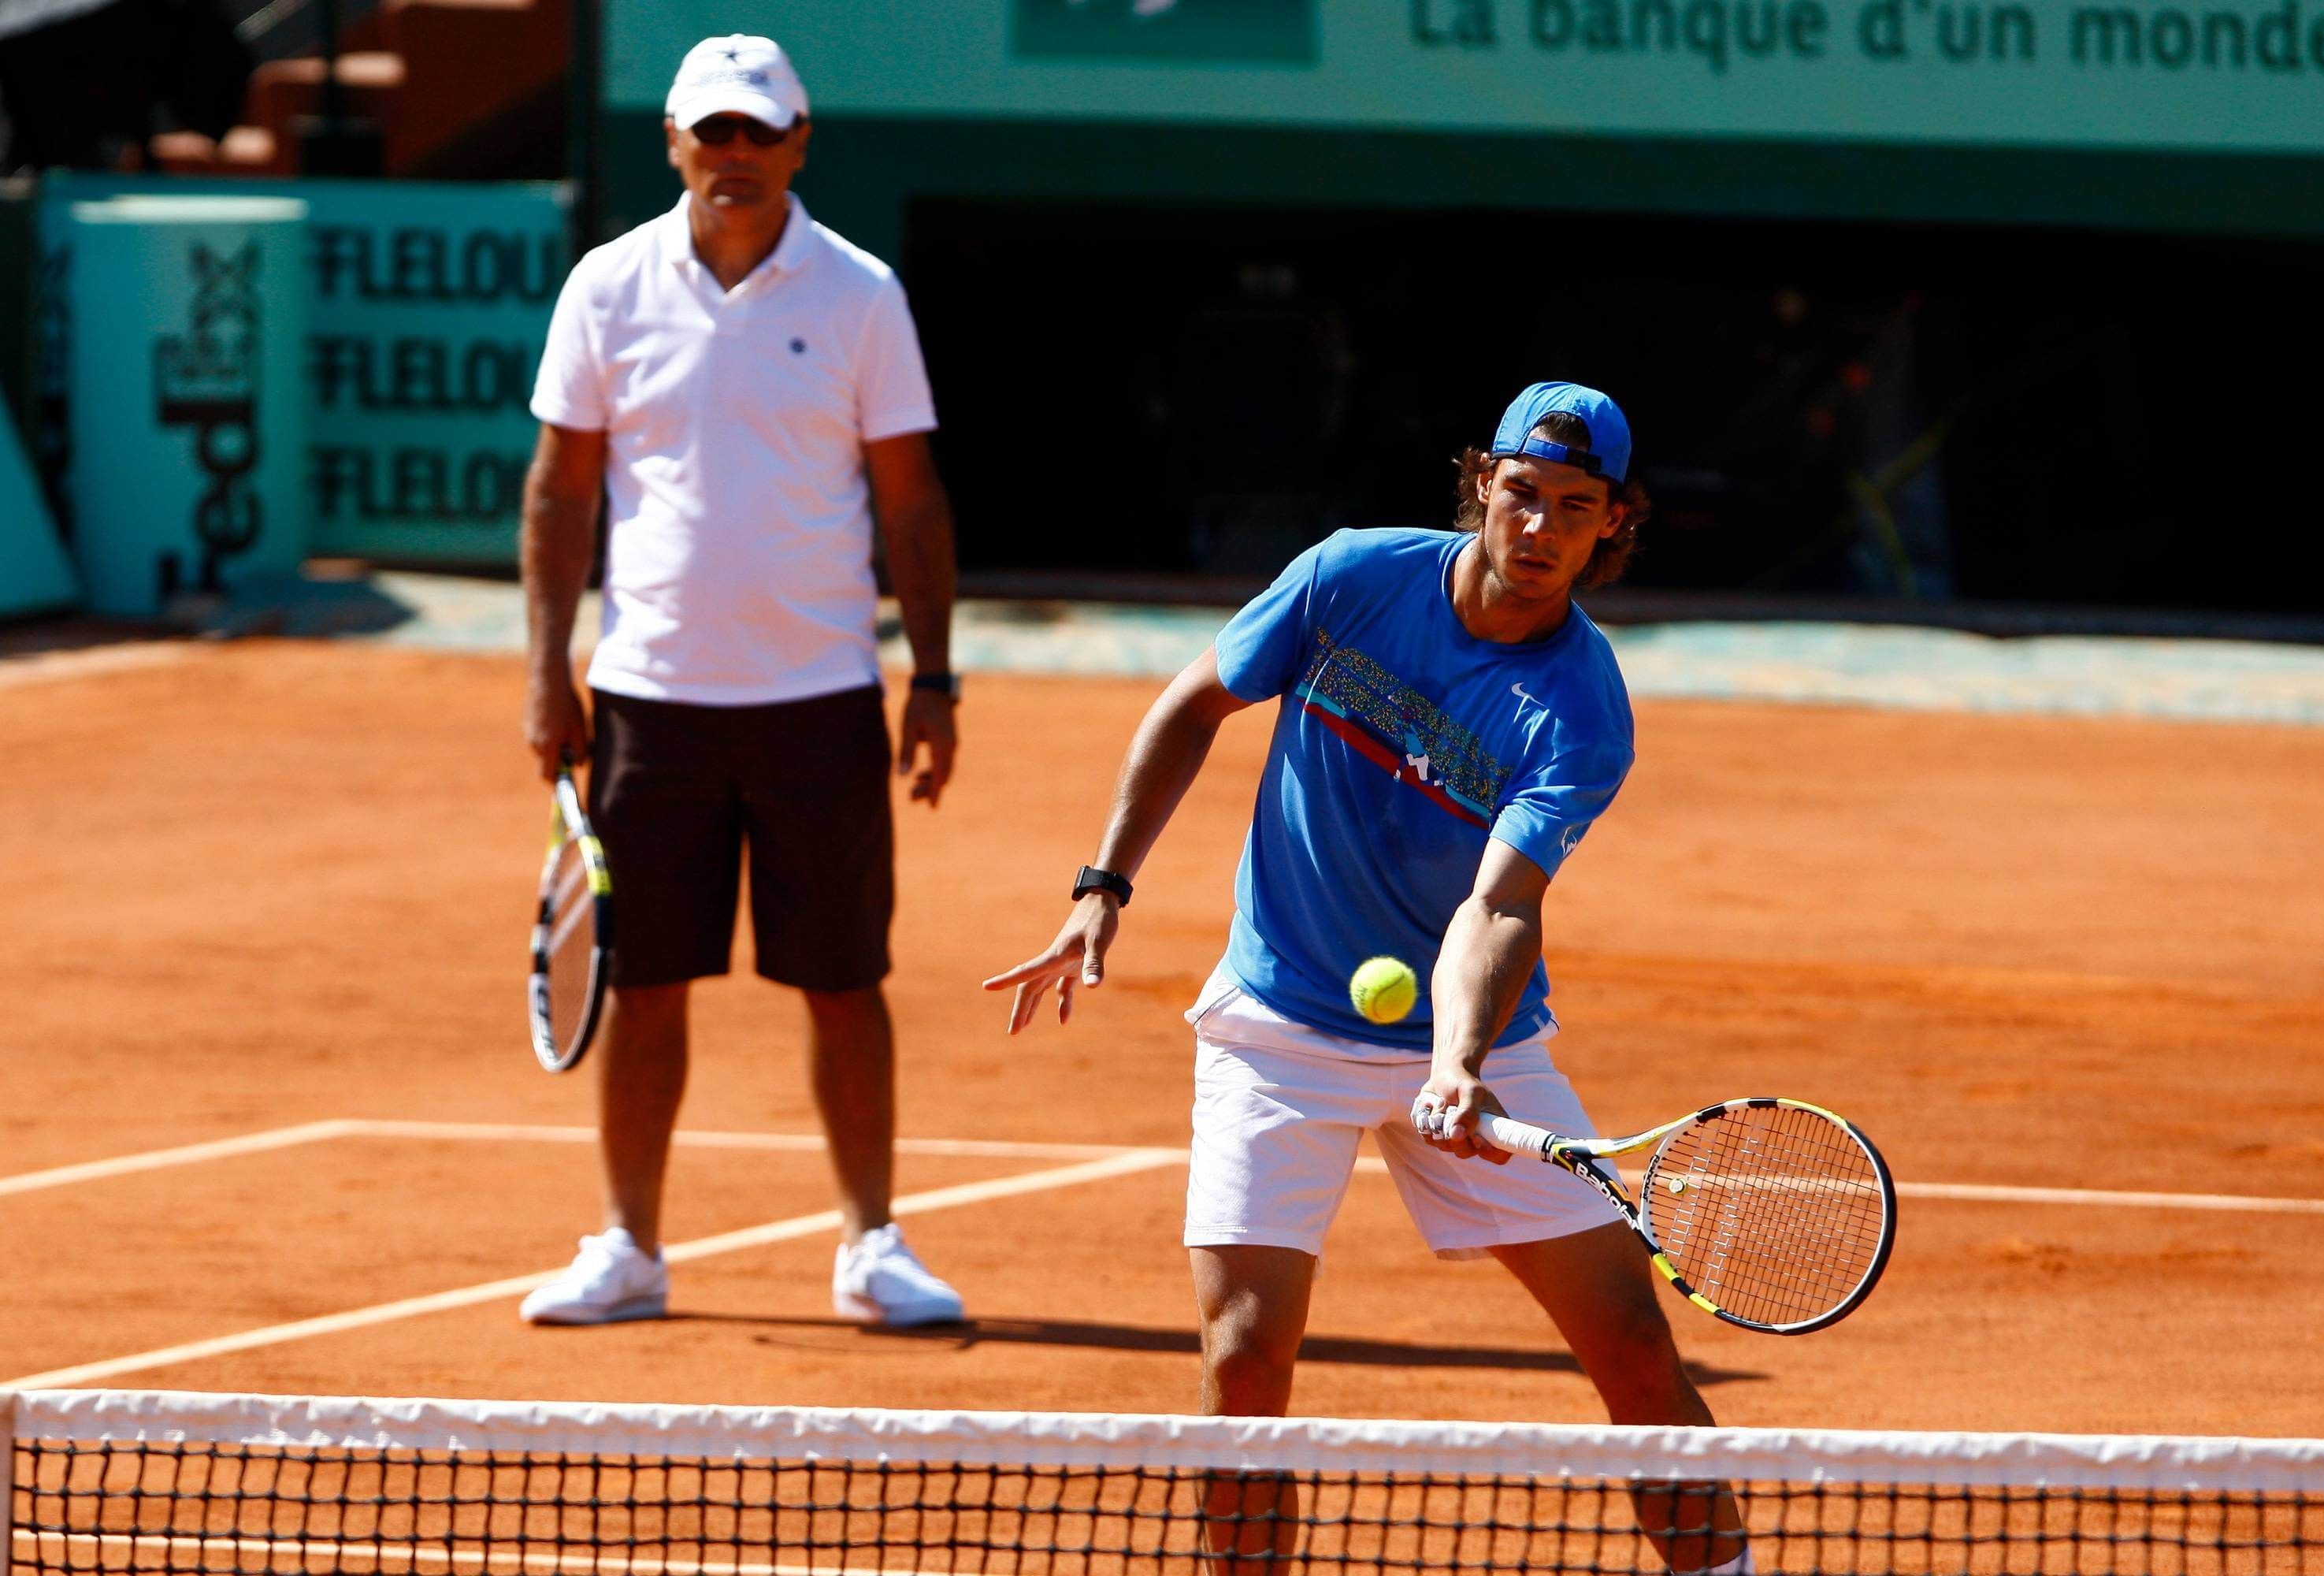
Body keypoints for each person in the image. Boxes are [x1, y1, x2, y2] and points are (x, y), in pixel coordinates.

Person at [986, 382, 1749, 1574]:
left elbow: (1498, 906)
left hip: (1476, 1049)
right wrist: (1103, 886)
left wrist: (1456, 1065)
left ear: (1613, 524)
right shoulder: (1352, 577)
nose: (1541, 529)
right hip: (1275, 1028)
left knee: (1636, 1353)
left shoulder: (1580, 708)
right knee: (1243, 1363)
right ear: (1482, 487)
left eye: (1575, 508)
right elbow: (1196, 703)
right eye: (1524, 495)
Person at [516, 33, 964, 1329]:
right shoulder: (605, 286)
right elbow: (561, 491)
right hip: (649, 699)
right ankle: (629, 1248)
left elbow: (911, 499)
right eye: (712, 133)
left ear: (799, 144)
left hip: (822, 697)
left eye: (759, 133)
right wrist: (549, 673)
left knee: (844, 983)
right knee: (642, 982)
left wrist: (931, 680)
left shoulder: (862, 294)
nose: (735, 156)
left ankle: (872, 1243)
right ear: (674, 144)